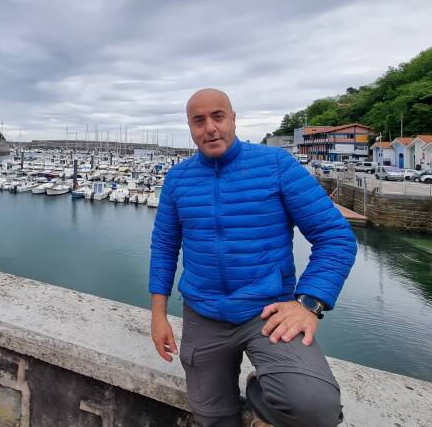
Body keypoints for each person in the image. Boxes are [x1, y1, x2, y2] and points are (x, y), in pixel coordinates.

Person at [149, 89, 357, 427]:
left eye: (218, 116)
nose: (210, 128)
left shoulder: (276, 165)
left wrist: (308, 304)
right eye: (199, 121)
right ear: (190, 127)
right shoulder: (178, 179)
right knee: (212, 417)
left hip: (267, 311)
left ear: (233, 119)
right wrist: (158, 316)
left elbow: (335, 236)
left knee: (315, 408)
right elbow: (164, 247)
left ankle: (261, 391)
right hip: (203, 312)